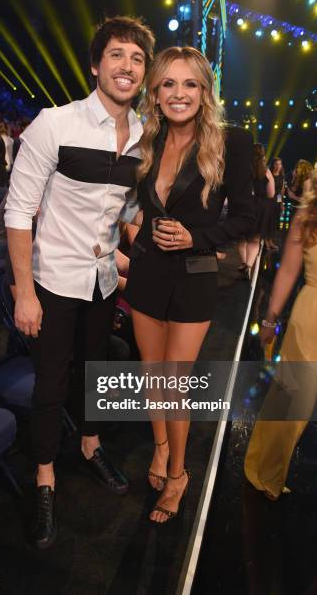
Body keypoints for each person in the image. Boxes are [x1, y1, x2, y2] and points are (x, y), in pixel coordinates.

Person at [5, 16, 155, 549]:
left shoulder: (142, 136)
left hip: (102, 278)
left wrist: (157, 254)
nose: (127, 66)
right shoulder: (54, 123)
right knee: (50, 383)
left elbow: (128, 212)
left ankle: (89, 447)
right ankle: (44, 476)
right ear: (96, 65)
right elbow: (19, 211)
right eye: (117, 55)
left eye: (137, 59)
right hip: (52, 279)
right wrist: (24, 291)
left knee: (95, 370)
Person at [123, 46, 255, 523]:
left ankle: (179, 474)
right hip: (145, 271)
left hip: (194, 273)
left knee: (175, 382)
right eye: (168, 85)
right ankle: (160, 447)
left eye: (190, 84)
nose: (179, 94)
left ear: (205, 90)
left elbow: (247, 216)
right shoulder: (146, 140)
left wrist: (196, 237)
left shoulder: (230, 143)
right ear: (154, 94)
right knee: (151, 373)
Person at [244, 144, 317, 501]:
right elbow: (287, 273)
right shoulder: (309, 216)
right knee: (291, 406)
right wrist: (270, 319)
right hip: (312, 320)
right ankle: (264, 472)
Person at [238, 144, 275, 280]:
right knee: (254, 240)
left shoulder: (242, 169)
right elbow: (271, 194)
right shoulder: (266, 171)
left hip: (244, 205)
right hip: (260, 208)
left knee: (242, 238)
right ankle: (248, 265)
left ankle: (243, 263)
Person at [266, 156, 286, 250]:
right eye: (276, 164)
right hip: (269, 200)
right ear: (273, 164)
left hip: (276, 201)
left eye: (280, 164)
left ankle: (270, 241)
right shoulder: (270, 175)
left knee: (274, 222)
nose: (278, 166)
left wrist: (281, 204)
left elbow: (280, 193)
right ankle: (266, 241)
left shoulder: (282, 177)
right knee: (268, 221)